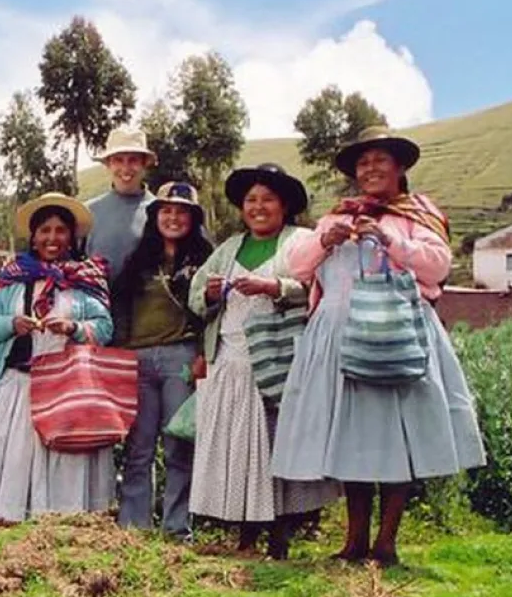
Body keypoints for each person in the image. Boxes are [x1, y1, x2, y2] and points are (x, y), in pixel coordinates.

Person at [270, 128, 485, 566]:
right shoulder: (337, 218)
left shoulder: (416, 215)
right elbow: (297, 266)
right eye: (362, 163)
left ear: (400, 167)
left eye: (379, 160)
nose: (369, 169)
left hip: (397, 330)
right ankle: (354, 542)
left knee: (398, 435)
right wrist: (325, 241)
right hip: (338, 334)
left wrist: (389, 240)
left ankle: (386, 543)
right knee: (353, 437)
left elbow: (439, 265)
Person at [188, 165, 339, 558]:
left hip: (279, 358)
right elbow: (195, 293)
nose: (258, 207)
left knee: (276, 443)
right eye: (251, 200)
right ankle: (246, 536)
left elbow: (317, 284)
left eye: (267, 199)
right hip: (231, 357)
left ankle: (280, 536)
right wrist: (212, 291)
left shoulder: (300, 241)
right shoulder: (229, 248)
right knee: (239, 447)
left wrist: (275, 287)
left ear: (284, 205)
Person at [0, 193, 116, 524]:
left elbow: (105, 327)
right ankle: (7, 519)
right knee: (15, 457)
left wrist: (74, 327)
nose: (52, 238)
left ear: (71, 237)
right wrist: (11, 324)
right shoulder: (14, 280)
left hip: (65, 390)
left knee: (63, 457)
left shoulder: (82, 281)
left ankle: (60, 522)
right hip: (18, 387)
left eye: (60, 230)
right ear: (33, 236)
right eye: (44, 230)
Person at [111, 182, 212, 537]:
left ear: (193, 218)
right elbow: (121, 310)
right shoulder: (137, 260)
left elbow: (210, 316)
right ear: (155, 216)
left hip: (180, 359)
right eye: (166, 210)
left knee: (178, 445)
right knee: (138, 447)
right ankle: (133, 528)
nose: (173, 217)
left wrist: (203, 355)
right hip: (137, 361)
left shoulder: (204, 262)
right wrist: (121, 351)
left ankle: (176, 527)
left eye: (182, 211)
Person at [83, 128, 156, 284]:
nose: (125, 168)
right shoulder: (88, 212)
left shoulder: (161, 213)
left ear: (144, 164)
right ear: (109, 164)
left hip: (145, 306)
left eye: (133, 160)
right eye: (118, 160)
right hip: (97, 304)